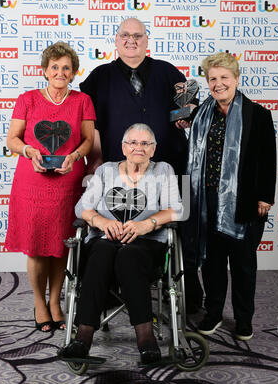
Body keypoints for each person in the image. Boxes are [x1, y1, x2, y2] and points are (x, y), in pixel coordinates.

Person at [80, 16, 204, 313]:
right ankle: (110, 292)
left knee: (182, 226)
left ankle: (188, 294)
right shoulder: (99, 77)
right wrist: (95, 159)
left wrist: (189, 114)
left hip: (175, 166)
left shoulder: (168, 71)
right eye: (125, 35)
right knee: (116, 229)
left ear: (147, 40)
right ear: (116, 39)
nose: (131, 40)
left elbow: (189, 107)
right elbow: (90, 125)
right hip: (119, 173)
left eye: (138, 36)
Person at [57, 123, 183, 364]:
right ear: (124, 147)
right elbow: (82, 208)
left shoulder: (163, 170)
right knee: (102, 251)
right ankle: (82, 338)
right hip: (105, 241)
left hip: (145, 243)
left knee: (129, 255)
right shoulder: (106, 171)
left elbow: (176, 209)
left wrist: (147, 224)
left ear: (153, 149)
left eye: (145, 143)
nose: (139, 148)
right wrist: (102, 222)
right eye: (133, 143)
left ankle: (146, 340)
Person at [183, 52, 276, 341]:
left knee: (243, 264)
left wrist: (265, 197)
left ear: (236, 78)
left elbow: (267, 158)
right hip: (205, 202)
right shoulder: (199, 115)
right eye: (213, 78)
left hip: (244, 203)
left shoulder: (257, 114)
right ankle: (213, 313)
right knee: (211, 262)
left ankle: (243, 319)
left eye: (224, 77)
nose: (218, 83)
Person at [5, 41, 96, 332]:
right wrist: (29, 151)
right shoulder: (27, 99)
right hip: (31, 182)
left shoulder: (83, 101)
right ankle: (39, 303)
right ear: (45, 70)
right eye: (54, 66)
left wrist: (74, 156)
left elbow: (87, 141)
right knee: (35, 247)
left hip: (67, 181)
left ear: (73, 73)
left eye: (66, 67)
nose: (60, 72)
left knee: (61, 245)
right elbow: (12, 140)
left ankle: (55, 302)